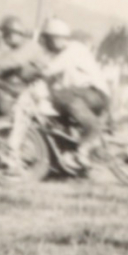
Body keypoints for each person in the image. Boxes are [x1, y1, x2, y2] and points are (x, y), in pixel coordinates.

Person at [10, 18, 110, 170]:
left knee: (60, 96)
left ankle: (88, 138)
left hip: (96, 94)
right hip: (82, 96)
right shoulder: (61, 54)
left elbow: (48, 70)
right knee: (56, 106)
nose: (46, 44)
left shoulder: (73, 49)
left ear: (56, 38)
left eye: (48, 40)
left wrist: (30, 74)